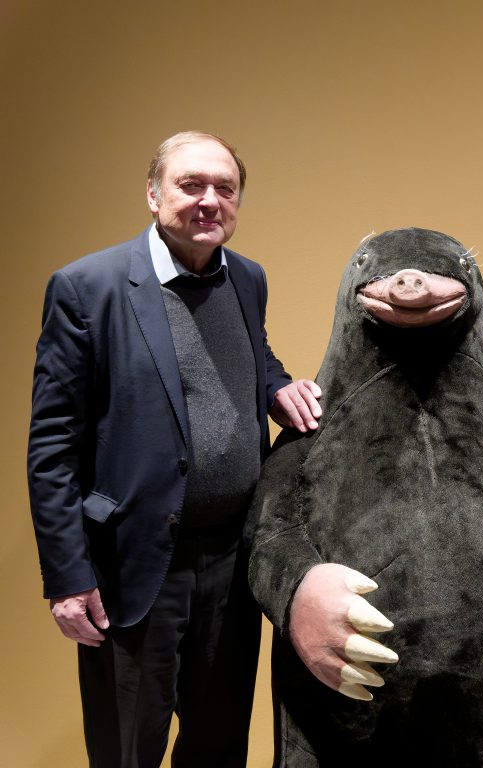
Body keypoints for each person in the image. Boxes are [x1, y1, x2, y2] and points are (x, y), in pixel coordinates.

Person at [27, 131, 323, 768]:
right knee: (129, 748)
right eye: (192, 185)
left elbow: (255, 355)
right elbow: (52, 445)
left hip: (231, 562)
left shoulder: (247, 278)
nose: (210, 200)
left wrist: (277, 387)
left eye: (225, 188)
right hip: (133, 565)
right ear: (154, 193)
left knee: (218, 745)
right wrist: (68, 576)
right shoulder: (87, 287)